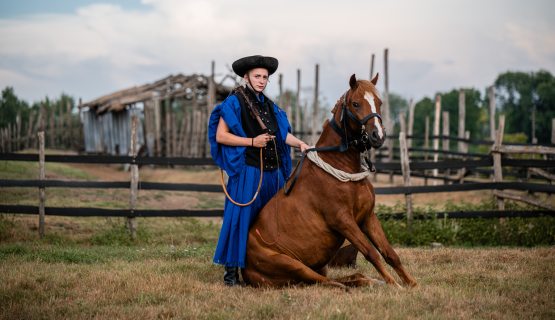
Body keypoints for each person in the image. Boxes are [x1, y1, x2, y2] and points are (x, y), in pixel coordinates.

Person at [208, 55, 310, 286]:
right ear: (246, 77)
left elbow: (281, 134)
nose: (262, 80)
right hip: (249, 173)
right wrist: (252, 142)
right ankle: (231, 275)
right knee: (240, 219)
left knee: (273, 221)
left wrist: (301, 143)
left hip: (273, 175)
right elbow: (221, 136)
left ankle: (268, 266)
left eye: (265, 77)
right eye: (257, 76)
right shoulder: (234, 102)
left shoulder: (268, 105)